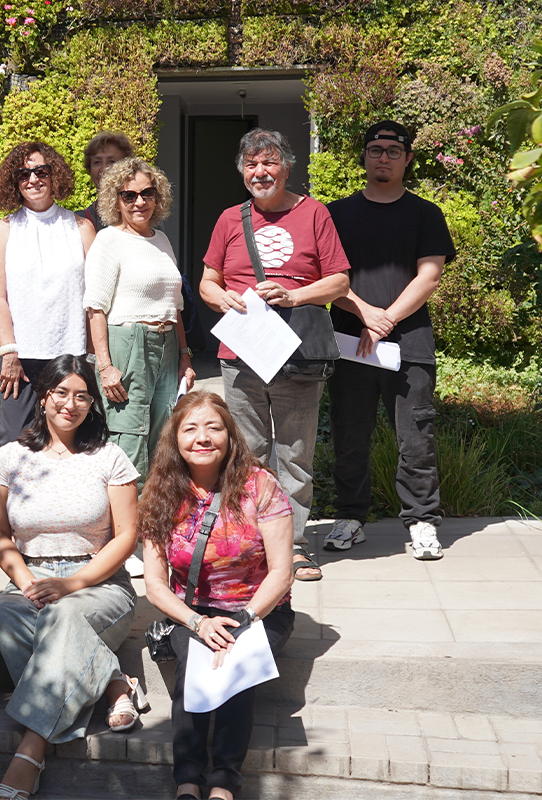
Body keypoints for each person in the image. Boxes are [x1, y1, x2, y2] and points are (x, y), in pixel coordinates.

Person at [0, 355, 144, 800]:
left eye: (82, 396)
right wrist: (26, 582)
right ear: (43, 395)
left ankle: (29, 752)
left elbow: (126, 536)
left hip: (98, 581)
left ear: (92, 404)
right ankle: (111, 679)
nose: (71, 404)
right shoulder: (10, 457)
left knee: (64, 615)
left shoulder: (109, 457)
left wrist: (71, 585)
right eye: (61, 393)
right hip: (31, 575)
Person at [199, 128, 350, 582]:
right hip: (241, 351)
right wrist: (220, 297)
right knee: (247, 451)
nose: (260, 172)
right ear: (242, 172)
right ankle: (254, 543)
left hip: (297, 352)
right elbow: (207, 281)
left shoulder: (314, 213)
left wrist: (295, 294)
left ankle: (295, 545)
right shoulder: (230, 219)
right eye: (251, 165)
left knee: (295, 452)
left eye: (269, 163)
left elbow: (339, 281)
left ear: (286, 167)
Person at [139, 391, 295, 800]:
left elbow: (282, 572)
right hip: (191, 611)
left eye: (214, 427)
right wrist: (197, 622)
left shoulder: (259, 486)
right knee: (194, 660)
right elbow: (154, 584)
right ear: (175, 438)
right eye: (190, 429)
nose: (202, 437)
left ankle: (224, 782)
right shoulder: (160, 492)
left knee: (236, 662)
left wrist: (244, 621)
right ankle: (188, 781)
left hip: (260, 609)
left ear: (230, 435)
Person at [326, 121, 454, 560]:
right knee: (349, 433)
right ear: (364, 156)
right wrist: (364, 313)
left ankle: (422, 522)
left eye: (393, 151)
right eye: (376, 150)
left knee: (416, 437)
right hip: (349, 342)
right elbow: (327, 277)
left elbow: (430, 275)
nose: (384, 157)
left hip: (410, 344)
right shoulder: (335, 214)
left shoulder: (425, 214)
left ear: (407, 159)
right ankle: (350, 517)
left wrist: (385, 320)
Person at [85, 158, 195, 480]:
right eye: (129, 195)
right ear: (115, 199)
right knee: (129, 436)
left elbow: (174, 306)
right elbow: (95, 308)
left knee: (164, 437)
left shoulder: (161, 240)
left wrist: (185, 356)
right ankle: (127, 513)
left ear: (158, 197)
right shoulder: (108, 240)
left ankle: (155, 509)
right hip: (128, 344)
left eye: (147, 193)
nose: (139, 202)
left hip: (167, 345)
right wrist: (105, 367)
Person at [0, 142, 96, 445]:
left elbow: (95, 298)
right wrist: (9, 351)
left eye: (41, 171)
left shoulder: (81, 228)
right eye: (23, 174)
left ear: (54, 174)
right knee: (15, 438)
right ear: (14, 182)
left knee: (70, 437)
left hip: (70, 354)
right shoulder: (3, 230)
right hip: (21, 358)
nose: (33, 179)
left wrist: (93, 355)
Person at [79, 131, 134, 231]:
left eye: (112, 161)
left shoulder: (142, 216)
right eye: (97, 162)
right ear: (90, 172)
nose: (104, 168)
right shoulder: (79, 221)